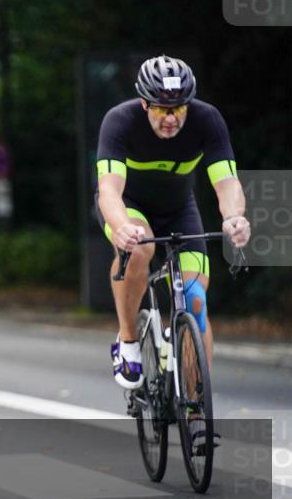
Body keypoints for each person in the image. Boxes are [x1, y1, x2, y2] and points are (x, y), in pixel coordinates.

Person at [95, 55, 251, 405]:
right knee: (139, 248)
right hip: (129, 207)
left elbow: (227, 182)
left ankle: (196, 409)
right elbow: (109, 190)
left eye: (179, 108)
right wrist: (120, 227)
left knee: (195, 299)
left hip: (179, 211)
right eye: (162, 109)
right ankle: (129, 341)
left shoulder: (207, 120)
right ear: (144, 103)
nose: (171, 118)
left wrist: (234, 217)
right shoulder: (120, 121)